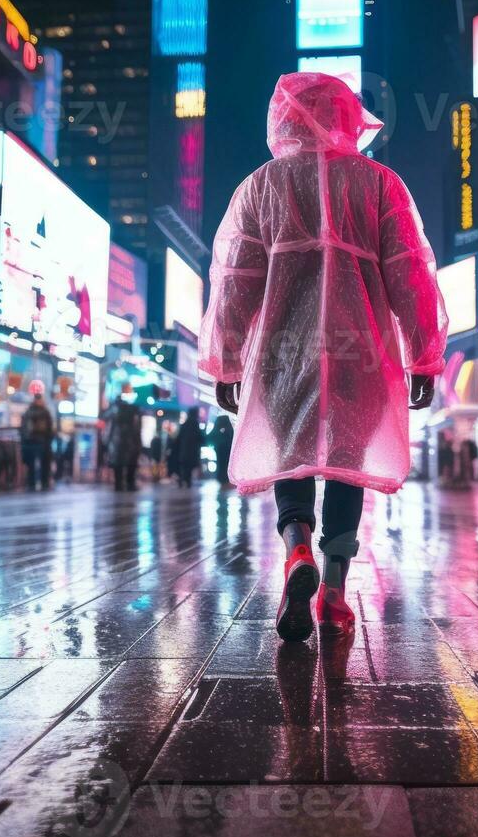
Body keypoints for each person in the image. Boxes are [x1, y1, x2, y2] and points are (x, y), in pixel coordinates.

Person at [199, 72, 447, 642]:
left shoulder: (259, 188)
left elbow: (233, 281)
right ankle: (334, 588)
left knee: (294, 457)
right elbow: (411, 274)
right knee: (345, 461)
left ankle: (297, 551)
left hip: (285, 352)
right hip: (360, 353)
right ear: (345, 115)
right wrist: (423, 355)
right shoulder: (380, 185)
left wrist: (227, 360)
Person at [105, 390, 143, 492]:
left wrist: (107, 442)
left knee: (118, 465)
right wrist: (138, 444)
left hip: (117, 443)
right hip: (131, 443)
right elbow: (137, 430)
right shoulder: (133, 412)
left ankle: (118, 485)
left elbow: (109, 429)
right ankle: (130, 484)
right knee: (131, 464)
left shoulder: (114, 412)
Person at [19, 392, 55, 491]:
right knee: (43, 463)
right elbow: (49, 427)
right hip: (40, 440)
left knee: (32, 464)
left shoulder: (29, 411)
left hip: (32, 441)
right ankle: (43, 483)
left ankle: (33, 483)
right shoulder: (44, 411)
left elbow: (23, 427)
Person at [173, 407, 203, 488]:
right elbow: (200, 438)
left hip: (184, 451)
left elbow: (178, 438)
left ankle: (183, 480)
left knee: (185, 467)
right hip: (193, 451)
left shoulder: (185, 424)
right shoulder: (195, 424)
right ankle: (187, 481)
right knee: (189, 467)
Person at [209, 414, 234, 486]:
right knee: (224, 464)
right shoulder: (228, 429)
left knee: (222, 464)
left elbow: (211, 437)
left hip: (221, 450)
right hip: (225, 451)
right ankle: (224, 479)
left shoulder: (219, 428)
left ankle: (223, 479)